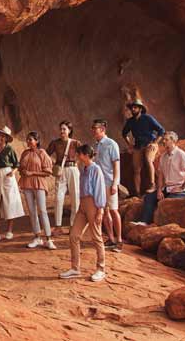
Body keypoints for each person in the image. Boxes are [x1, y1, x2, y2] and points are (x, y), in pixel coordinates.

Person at [60, 143, 108, 282]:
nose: (78, 156)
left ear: (86, 155)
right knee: (74, 235)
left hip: (93, 204)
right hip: (83, 205)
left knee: (97, 237)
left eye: (80, 154)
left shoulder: (95, 169)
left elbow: (99, 190)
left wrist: (100, 210)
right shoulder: (84, 169)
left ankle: (101, 269)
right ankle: (75, 268)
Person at [133, 132, 185, 225]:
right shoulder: (163, 157)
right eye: (163, 139)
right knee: (149, 197)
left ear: (173, 141)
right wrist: (159, 190)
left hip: (180, 189)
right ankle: (144, 222)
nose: (163, 141)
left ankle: (166, 227)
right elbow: (160, 175)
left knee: (167, 203)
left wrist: (182, 187)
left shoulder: (181, 154)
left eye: (166, 139)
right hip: (167, 188)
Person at [0, 126, 25, 243]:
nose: (0, 138)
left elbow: (16, 164)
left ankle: (9, 231)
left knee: (9, 201)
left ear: (7, 138)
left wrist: (12, 172)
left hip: (8, 175)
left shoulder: (9, 149)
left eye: (3, 136)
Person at [90, 118, 123, 252]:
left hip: (110, 183)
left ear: (102, 129)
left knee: (114, 210)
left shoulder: (111, 144)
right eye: (92, 128)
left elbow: (116, 165)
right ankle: (110, 238)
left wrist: (115, 183)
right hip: (99, 183)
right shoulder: (96, 146)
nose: (93, 131)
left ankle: (119, 240)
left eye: (95, 128)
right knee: (104, 211)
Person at [18, 131, 56, 249]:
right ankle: (37, 237)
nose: (28, 141)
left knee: (42, 211)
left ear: (37, 141)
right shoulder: (25, 153)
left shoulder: (42, 153)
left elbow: (48, 172)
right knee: (32, 211)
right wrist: (23, 171)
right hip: (27, 183)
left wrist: (32, 172)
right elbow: (21, 168)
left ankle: (49, 239)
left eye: (31, 139)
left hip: (39, 183)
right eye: (27, 139)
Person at [121, 98, 165, 194]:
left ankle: (152, 185)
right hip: (138, 146)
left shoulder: (147, 118)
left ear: (140, 109)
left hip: (150, 143)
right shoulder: (130, 121)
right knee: (136, 168)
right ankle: (137, 193)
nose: (133, 109)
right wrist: (130, 145)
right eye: (132, 108)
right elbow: (124, 134)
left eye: (135, 107)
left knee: (148, 159)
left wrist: (155, 143)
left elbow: (161, 130)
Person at [46, 121, 82, 232]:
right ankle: (58, 226)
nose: (62, 131)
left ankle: (73, 226)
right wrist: (53, 164)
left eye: (64, 129)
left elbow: (85, 154)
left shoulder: (75, 143)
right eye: (61, 129)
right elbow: (46, 155)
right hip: (60, 171)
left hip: (72, 170)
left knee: (75, 197)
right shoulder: (55, 143)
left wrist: (77, 163)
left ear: (69, 131)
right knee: (58, 198)